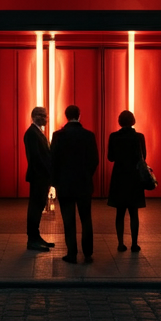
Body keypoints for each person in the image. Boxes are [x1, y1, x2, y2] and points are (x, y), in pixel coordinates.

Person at [50, 104, 98, 263]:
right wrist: (86, 174)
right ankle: (88, 253)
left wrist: (55, 182)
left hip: (65, 184)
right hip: (84, 183)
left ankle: (72, 253)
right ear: (79, 115)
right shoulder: (89, 135)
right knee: (86, 219)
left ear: (66, 116)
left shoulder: (58, 136)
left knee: (68, 220)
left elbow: (53, 161)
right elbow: (94, 161)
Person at [107, 109, 147, 252]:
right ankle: (134, 243)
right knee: (134, 212)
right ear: (133, 121)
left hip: (119, 177)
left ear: (120, 121)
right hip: (134, 177)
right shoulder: (139, 137)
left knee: (120, 212)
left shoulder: (113, 137)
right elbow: (144, 157)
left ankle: (120, 243)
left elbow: (110, 157)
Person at [23, 106, 54, 251]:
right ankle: (32, 238)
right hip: (39, 177)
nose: (45, 118)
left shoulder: (37, 132)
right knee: (35, 207)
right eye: (42, 115)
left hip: (41, 177)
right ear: (34, 116)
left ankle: (36, 236)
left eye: (46, 115)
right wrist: (47, 173)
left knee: (38, 206)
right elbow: (36, 158)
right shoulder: (32, 133)